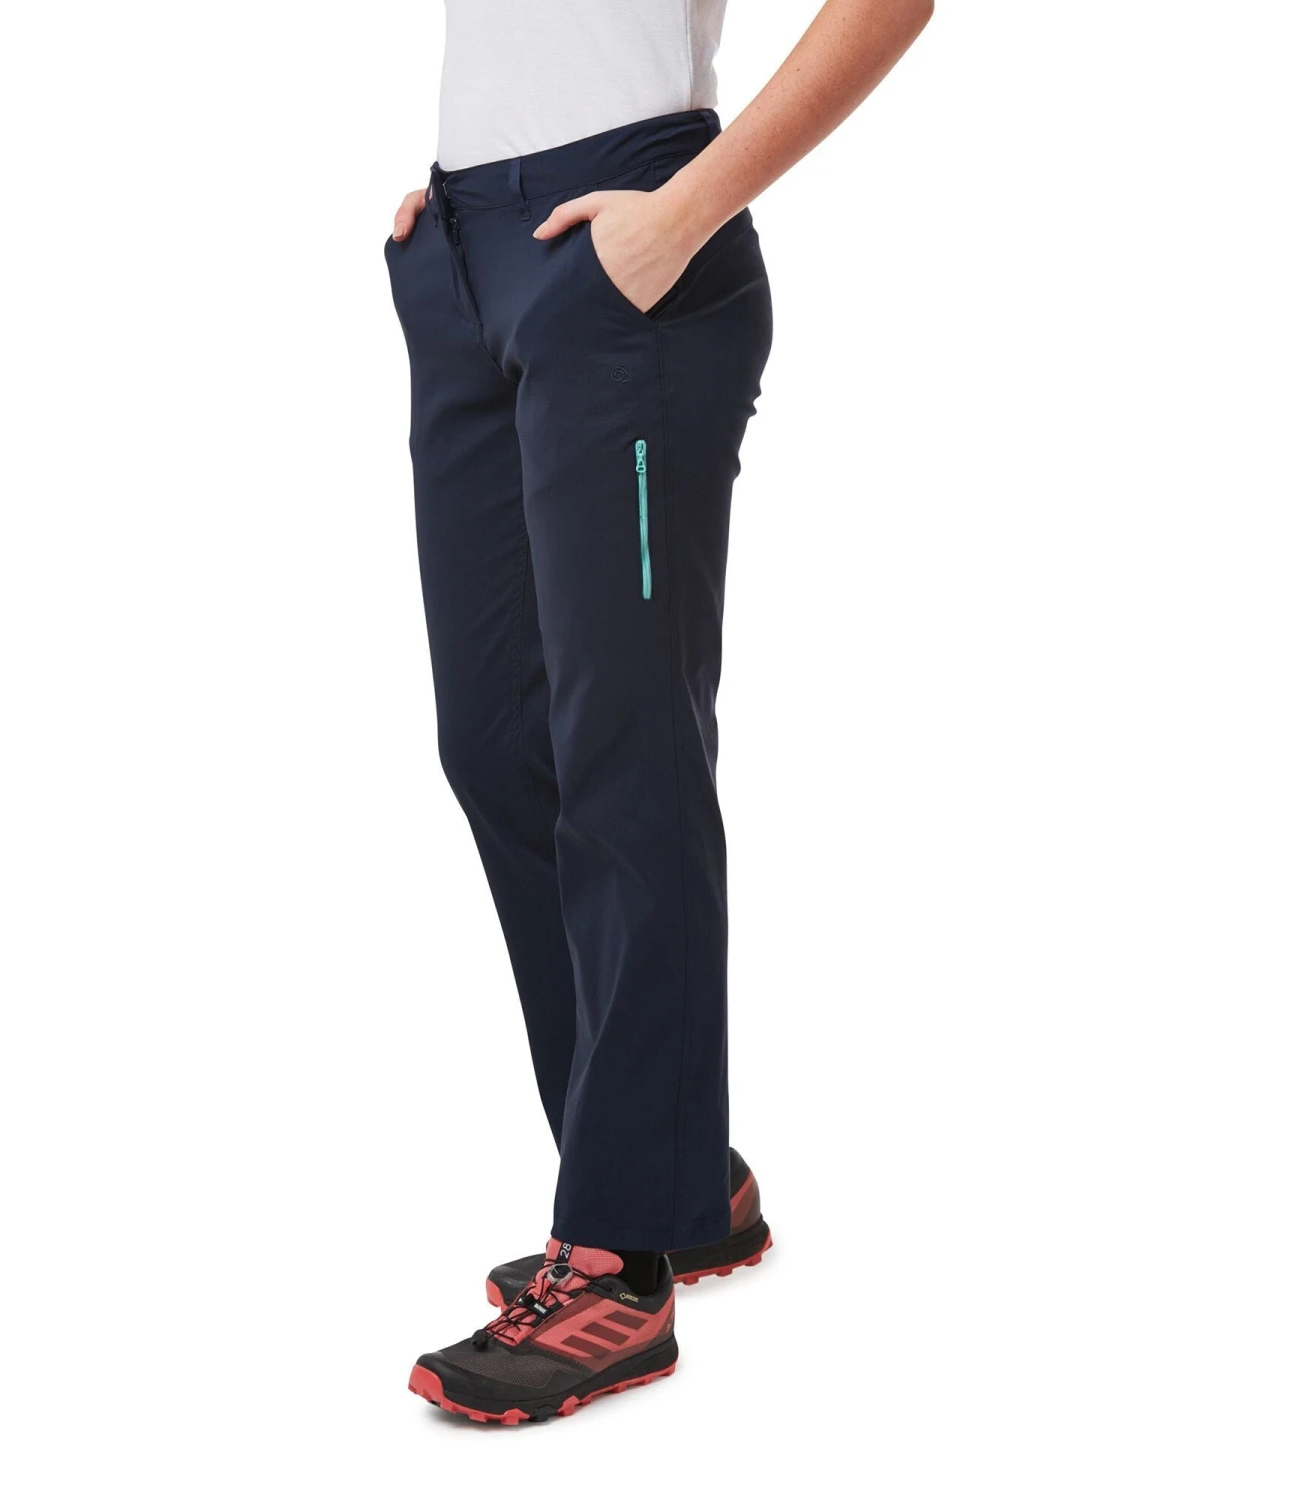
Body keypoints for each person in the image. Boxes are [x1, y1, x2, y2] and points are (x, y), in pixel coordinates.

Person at [387, 0, 933, 1423]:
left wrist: (685, 210)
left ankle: (619, 1251)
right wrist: (450, 223)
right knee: (497, 743)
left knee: (626, 760)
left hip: (631, 240)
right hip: (464, 252)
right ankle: (672, 1167)